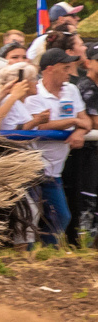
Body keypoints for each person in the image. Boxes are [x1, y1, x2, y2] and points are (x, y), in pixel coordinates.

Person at [19, 49, 91, 245]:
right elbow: (40, 125)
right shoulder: (34, 93)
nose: (70, 72)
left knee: (61, 216)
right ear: (50, 69)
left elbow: (86, 121)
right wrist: (73, 121)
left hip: (55, 169)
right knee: (30, 215)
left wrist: (79, 131)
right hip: (33, 166)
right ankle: (32, 253)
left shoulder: (71, 90)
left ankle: (45, 250)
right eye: (65, 67)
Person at [63, 41, 98, 245]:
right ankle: (84, 245)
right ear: (88, 63)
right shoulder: (86, 87)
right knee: (88, 202)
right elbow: (94, 121)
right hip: (86, 155)